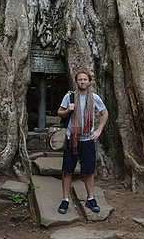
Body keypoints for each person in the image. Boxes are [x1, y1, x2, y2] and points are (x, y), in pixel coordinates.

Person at [56, 70, 108, 214]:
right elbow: (59, 112)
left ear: (89, 81)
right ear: (76, 81)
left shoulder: (94, 98)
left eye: (85, 79)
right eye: (80, 80)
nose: (83, 82)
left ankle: (90, 198)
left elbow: (104, 113)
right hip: (71, 138)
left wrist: (98, 131)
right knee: (67, 170)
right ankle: (65, 199)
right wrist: (67, 110)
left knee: (89, 170)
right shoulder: (69, 97)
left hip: (87, 139)